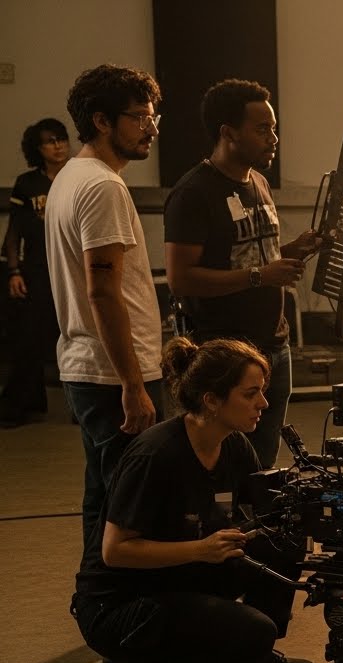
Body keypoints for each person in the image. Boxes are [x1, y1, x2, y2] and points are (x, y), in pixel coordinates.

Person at [70, 337, 313, 663]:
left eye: (262, 392)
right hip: (119, 604)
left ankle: (246, 660)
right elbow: (116, 551)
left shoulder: (234, 446)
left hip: (180, 571)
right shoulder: (155, 456)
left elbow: (260, 517)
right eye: (250, 394)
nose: (263, 404)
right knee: (254, 630)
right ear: (212, 400)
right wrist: (201, 549)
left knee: (284, 538)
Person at [165, 78, 320, 467]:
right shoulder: (193, 193)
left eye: (274, 128)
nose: (273, 139)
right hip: (224, 356)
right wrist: (260, 277)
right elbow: (181, 279)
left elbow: (252, 256)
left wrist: (293, 250)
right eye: (262, 129)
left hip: (273, 347)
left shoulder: (259, 182)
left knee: (261, 465)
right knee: (225, 466)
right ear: (228, 132)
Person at [47, 65, 166, 555]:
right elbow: (102, 292)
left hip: (92, 369)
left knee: (105, 500)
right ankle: (117, 597)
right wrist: (133, 385)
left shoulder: (71, 178)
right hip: (113, 375)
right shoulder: (102, 186)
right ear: (101, 120)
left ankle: (94, 592)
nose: (151, 129)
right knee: (133, 512)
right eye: (139, 117)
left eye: (153, 117)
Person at [2, 118, 69, 427]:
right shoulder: (28, 184)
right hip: (36, 271)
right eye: (49, 142)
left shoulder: (76, 177)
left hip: (70, 271)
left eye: (61, 139)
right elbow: (14, 232)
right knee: (28, 337)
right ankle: (21, 403)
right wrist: (13, 271)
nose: (58, 146)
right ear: (37, 149)